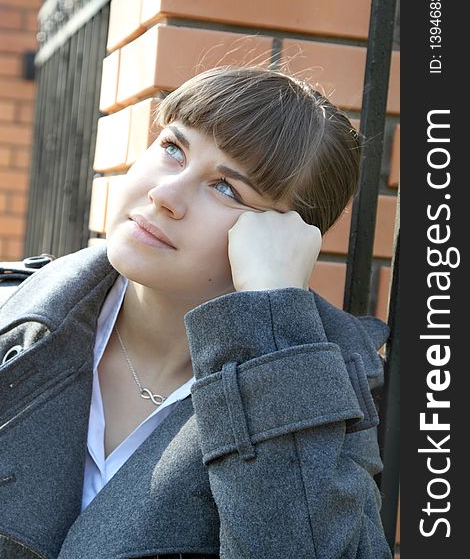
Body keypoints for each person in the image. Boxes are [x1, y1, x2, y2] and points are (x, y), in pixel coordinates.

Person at [0, 66, 392, 558]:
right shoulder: (18, 318)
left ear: (282, 236)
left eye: (227, 188)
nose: (165, 196)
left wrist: (268, 317)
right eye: (172, 148)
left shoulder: (332, 394)